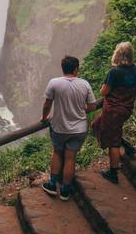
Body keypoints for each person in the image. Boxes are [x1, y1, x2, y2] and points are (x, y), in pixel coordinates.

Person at [40, 55, 97, 201]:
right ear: (76, 69)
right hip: (79, 129)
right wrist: (80, 110)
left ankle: (52, 185)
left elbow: (47, 104)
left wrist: (44, 117)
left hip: (59, 128)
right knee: (71, 157)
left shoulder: (54, 83)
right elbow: (92, 106)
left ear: (63, 68)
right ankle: (65, 191)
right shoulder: (84, 84)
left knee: (58, 153)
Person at [92, 42, 136, 184]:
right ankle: (125, 145)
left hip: (113, 110)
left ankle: (113, 172)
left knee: (113, 142)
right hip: (125, 109)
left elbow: (104, 91)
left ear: (118, 55)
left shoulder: (114, 72)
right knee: (96, 124)